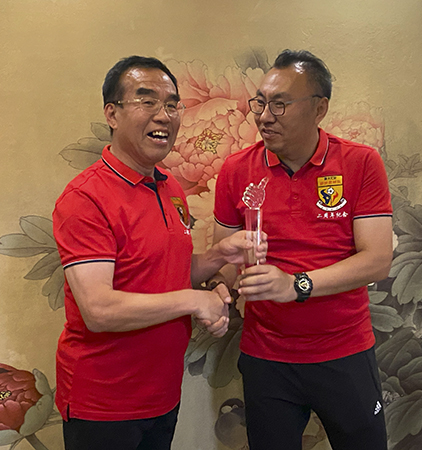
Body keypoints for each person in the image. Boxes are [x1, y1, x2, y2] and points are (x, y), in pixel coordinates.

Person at [52, 56, 266, 450]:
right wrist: (195, 301)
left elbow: (165, 272)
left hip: (161, 393)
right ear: (112, 114)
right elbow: (98, 309)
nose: (164, 115)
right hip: (103, 404)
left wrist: (219, 256)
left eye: (171, 104)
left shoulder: (169, 187)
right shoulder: (86, 198)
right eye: (147, 101)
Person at [212, 49, 393, 450]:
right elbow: (225, 258)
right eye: (260, 102)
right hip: (266, 355)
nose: (265, 116)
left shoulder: (360, 162)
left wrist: (297, 284)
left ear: (319, 108)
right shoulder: (236, 170)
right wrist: (218, 289)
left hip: (344, 350)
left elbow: (378, 260)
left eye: (280, 104)